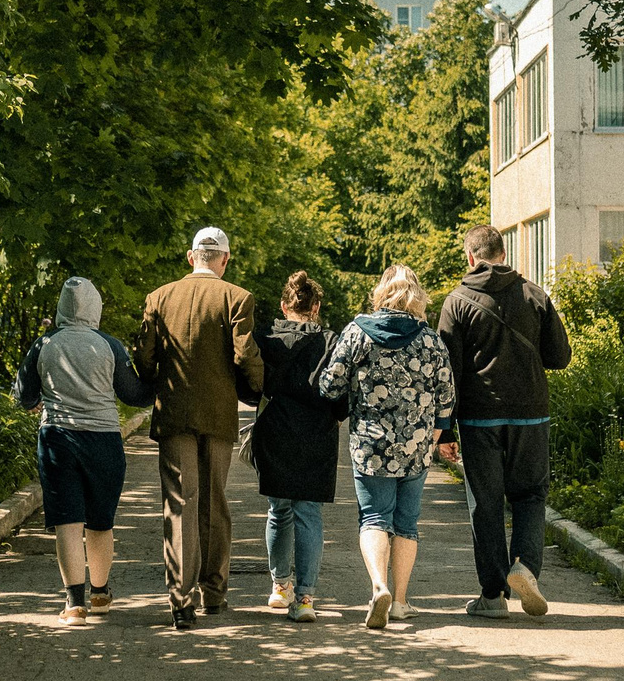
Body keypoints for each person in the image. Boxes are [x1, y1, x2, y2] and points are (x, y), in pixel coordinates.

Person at [436, 224, 572, 618]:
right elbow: (560, 357)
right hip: (531, 415)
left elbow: (449, 373)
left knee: (487, 504)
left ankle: (492, 597)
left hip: (480, 419)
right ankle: (525, 567)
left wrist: (444, 429)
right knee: (530, 496)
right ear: (503, 254)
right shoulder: (535, 294)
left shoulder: (456, 302)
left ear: (470, 257)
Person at [133, 226, 265, 630]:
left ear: (191, 257)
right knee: (214, 501)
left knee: (180, 503)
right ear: (224, 260)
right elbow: (246, 355)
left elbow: (144, 355)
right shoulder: (236, 298)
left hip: (174, 413)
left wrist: (156, 380)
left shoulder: (159, 297)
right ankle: (214, 592)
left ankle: (180, 600)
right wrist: (257, 390)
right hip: (219, 414)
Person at [315, 263, 456, 630]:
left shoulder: (357, 332)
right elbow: (447, 395)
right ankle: (402, 601)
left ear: (381, 292)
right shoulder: (429, 339)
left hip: (370, 443)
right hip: (417, 445)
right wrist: (436, 434)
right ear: (416, 295)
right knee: (407, 523)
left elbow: (330, 385)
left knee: (375, 518)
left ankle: (379, 588)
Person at [17, 276, 156, 623]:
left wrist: (38, 400)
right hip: (104, 440)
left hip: (56, 439)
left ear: (62, 307)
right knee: (100, 522)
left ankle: (73, 603)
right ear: (96, 307)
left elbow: (24, 395)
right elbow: (133, 395)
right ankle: (100, 593)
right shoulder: (109, 345)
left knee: (67, 522)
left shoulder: (44, 344)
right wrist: (160, 379)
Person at [251, 271, 347, 624]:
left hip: (275, 429)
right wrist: (338, 415)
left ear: (283, 306)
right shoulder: (330, 340)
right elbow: (340, 387)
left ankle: (280, 587)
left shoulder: (265, 336)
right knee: (309, 513)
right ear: (316, 307)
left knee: (278, 510)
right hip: (317, 431)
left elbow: (251, 381)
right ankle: (305, 597)